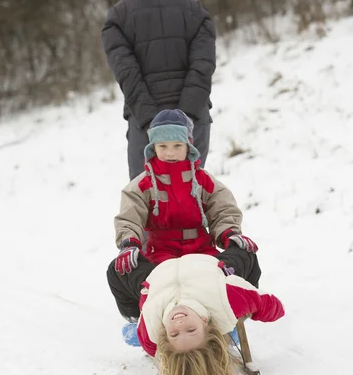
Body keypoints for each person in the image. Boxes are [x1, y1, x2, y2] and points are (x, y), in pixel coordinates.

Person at [101, 0, 216, 180]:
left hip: (146, 127)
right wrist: (185, 120)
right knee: (189, 201)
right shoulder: (195, 11)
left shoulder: (117, 18)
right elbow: (202, 69)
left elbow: (128, 76)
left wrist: (153, 124)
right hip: (192, 124)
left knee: (146, 207)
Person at [108, 253, 284, 375]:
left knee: (116, 269)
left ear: (164, 336)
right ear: (205, 322)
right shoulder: (226, 303)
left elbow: (157, 350)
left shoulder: (152, 332)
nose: (179, 324)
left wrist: (144, 300)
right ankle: (230, 331)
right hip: (206, 265)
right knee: (247, 254)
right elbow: (268, 304)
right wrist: (253, 312)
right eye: (191, 329)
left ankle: (133, 319)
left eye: (174, 334)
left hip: (158, 275)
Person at [111, 108, 259, 270]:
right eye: (163, 146)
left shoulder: (203, 180)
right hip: (160, 256)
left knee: (247, 257)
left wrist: (230, 234)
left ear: (189, 146)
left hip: (203, 252)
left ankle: (244, 293)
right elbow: (129, 217)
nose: (170, 153)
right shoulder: (143, 184)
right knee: (118, 271)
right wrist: (129, 243)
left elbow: (223, 210)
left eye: (177, 146)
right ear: (153, 148)